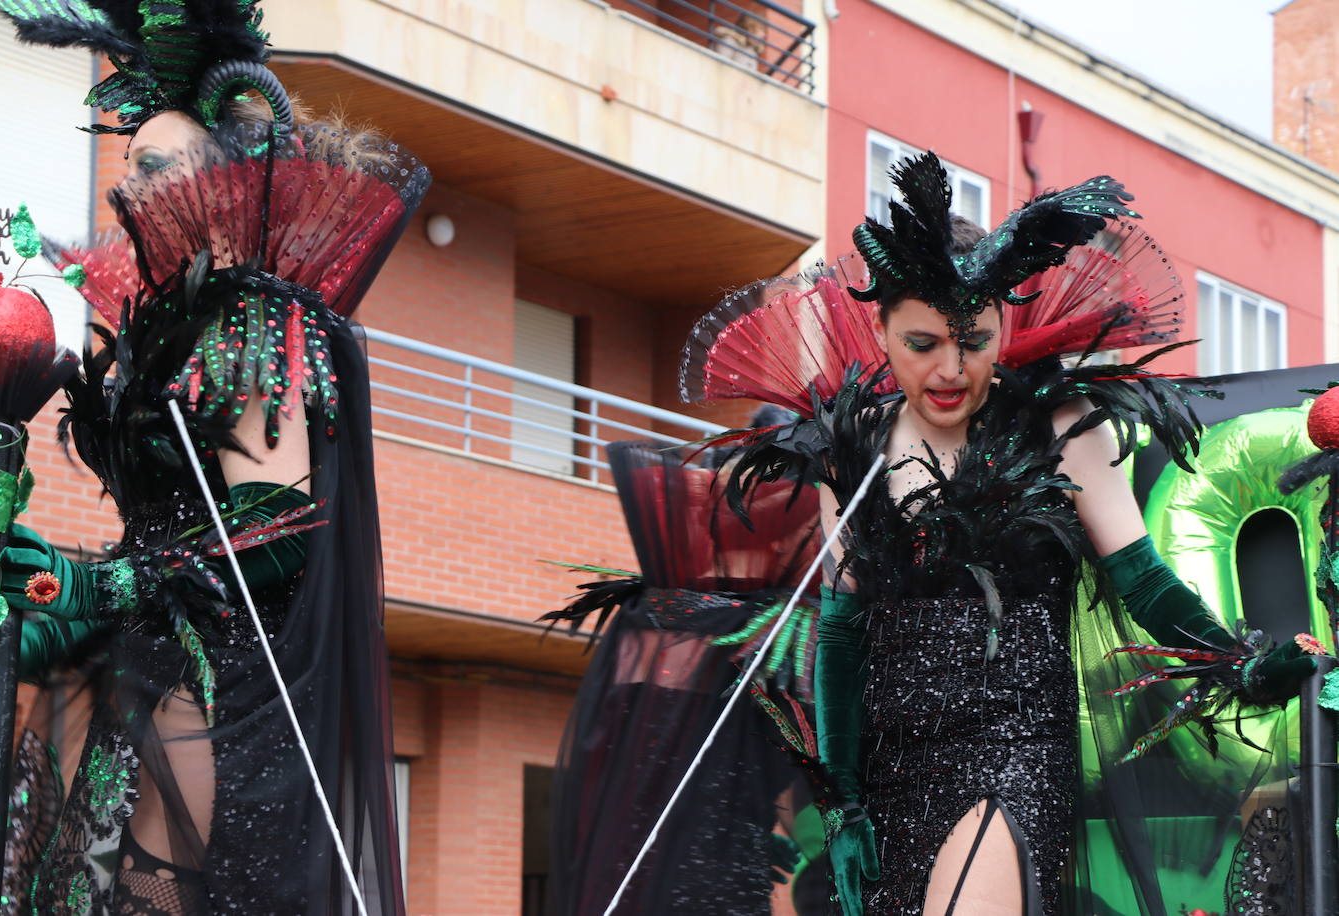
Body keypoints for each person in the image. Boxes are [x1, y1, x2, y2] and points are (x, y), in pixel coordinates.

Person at [680, 152, 1317, 915]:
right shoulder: (844, 448)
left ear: (1002, 326)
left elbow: (1142, 579)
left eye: (973, 341)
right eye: (923, 345)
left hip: (1010, 751)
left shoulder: (1055, 425)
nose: (950, 369)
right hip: (893, 768)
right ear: (881, 330)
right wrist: (845, 798)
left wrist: (1234, 662)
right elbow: (843, 634)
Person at [0, 2, 429, 911]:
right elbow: (164, 534)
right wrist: (55, 594)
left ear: (227, 177)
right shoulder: (174, 328)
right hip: (142, 681)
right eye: (128, 165)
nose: (133, 189)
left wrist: (99, 588)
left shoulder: (258, 316)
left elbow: (282, 524)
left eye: (157, 166)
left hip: (219, 695)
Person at [542, 420, 822, 915]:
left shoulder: (778, 628)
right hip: (662, 872)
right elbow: (633, 754)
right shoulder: (688, 621)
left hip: (719, 870)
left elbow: (800, 773)